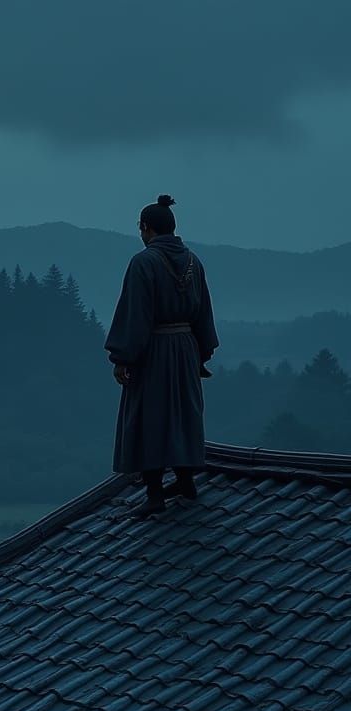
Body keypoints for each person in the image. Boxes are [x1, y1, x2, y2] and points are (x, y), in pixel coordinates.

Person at [105, 194, 220, 518]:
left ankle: (154, 494)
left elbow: (136, 315)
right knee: (183, 413)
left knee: (149, 414)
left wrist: (123, 358)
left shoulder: (143, 262)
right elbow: (204, 312)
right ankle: (186, 482)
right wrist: (201, 352)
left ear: (146, 228)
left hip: (154, 349)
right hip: (185, 348)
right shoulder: (194, 261)